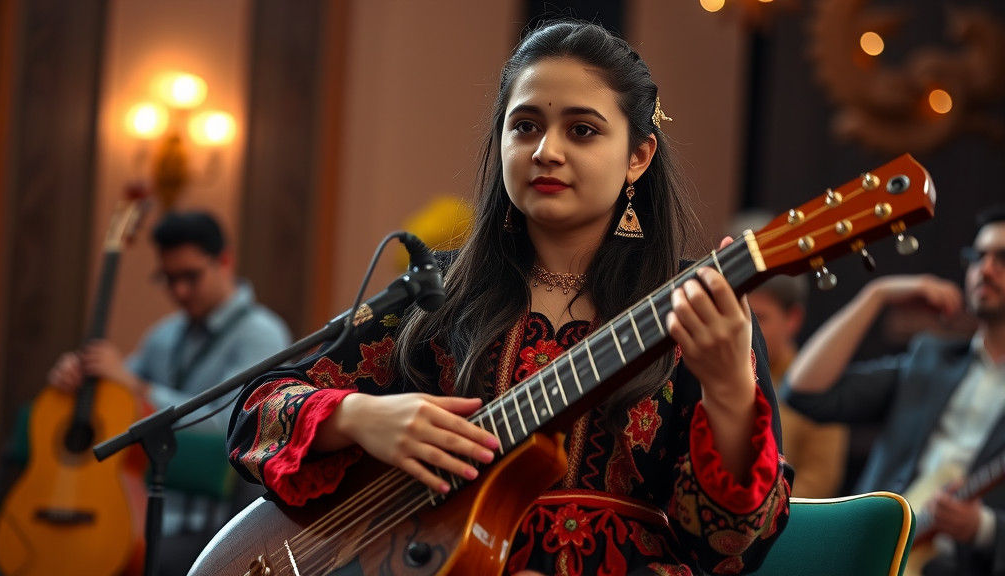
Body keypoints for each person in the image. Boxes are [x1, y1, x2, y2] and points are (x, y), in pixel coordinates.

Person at [228, 21, 790, 575]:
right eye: (525, 126)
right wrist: (359, 416)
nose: (546, 150)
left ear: (638, 157)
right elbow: (255, 415)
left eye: (583, 131)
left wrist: (730, 391)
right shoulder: (438, 297)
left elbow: (733, 548)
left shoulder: (696, 308)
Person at [48, 210, 292, 575]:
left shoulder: (262, 333)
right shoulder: (165, 334)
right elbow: (114, 402)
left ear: (224, 261)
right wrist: (79, 378)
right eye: (169, 278)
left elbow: (232, 422)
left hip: (214, 525)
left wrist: (137, 388)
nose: (179, 291)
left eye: (190, 276)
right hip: (144, 509)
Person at [784, 205, 1005, 575]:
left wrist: (984, 529)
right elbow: (804, 390)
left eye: (1002, 259)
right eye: (979, 256)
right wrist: (877, 294)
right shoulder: (931, 361)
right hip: (872, 549)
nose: (985, 269)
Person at [747, 276, 848, 498]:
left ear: (793, 318)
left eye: (759, 318)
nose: (745, 328)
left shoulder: (816, 386)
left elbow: (820, 481)